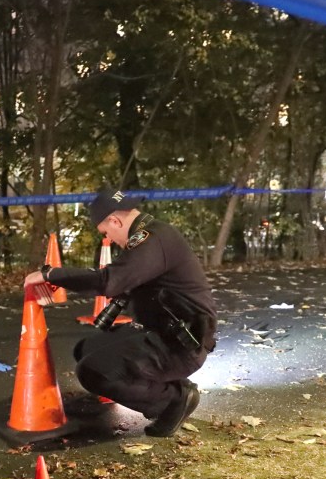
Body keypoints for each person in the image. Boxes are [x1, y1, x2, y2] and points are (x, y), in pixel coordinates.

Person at [23, 187, 217, 437]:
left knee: (92, 371)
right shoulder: (150, 235)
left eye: (107, 232)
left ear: (115, 220)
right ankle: (169, 386)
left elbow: (110, 281)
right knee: (86, 349)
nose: (110, 239)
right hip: (165, 333)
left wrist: (52, 274)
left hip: (181, 345)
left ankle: (173, 400)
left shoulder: (153, 239)